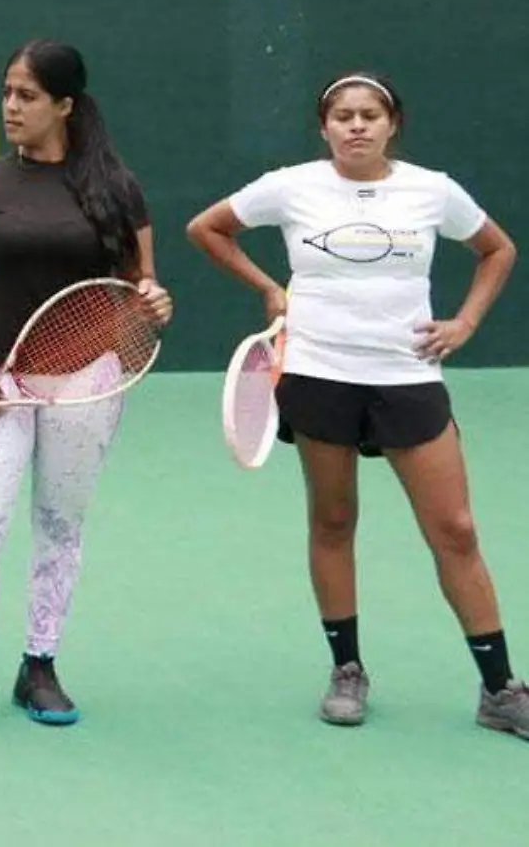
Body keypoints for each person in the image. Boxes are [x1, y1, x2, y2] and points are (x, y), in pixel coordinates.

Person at [186, 71, 527, 738]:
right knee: (333, 522)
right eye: (343, 116)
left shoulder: (432, 190)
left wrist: (464, 323)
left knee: (454, 529)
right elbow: (208, 229)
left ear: (392, 123)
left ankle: (500, 689)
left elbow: (497, 249)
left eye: (371, 115)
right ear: (325, 127)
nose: (357, 126)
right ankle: (347, 672)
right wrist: (268, 288)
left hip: (407, 377)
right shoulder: (291, 186)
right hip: (319, 374)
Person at [0, 40, 172, 736]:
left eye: (27, 95)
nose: (11, 106)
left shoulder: (117, 190)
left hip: (87, 382)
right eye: (6, 92)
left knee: (61, 525)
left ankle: (40, 664)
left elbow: (138, 286)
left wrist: (152, 305)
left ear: (65, 105)